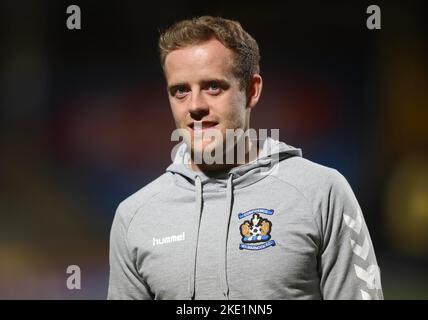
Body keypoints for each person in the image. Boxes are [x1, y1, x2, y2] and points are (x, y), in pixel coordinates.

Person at [107, 16, 383, 300]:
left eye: (213, 86)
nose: (195, 106)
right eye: (180, 91)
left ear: (252, 90)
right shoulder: (135, 217)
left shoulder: (321, 193)